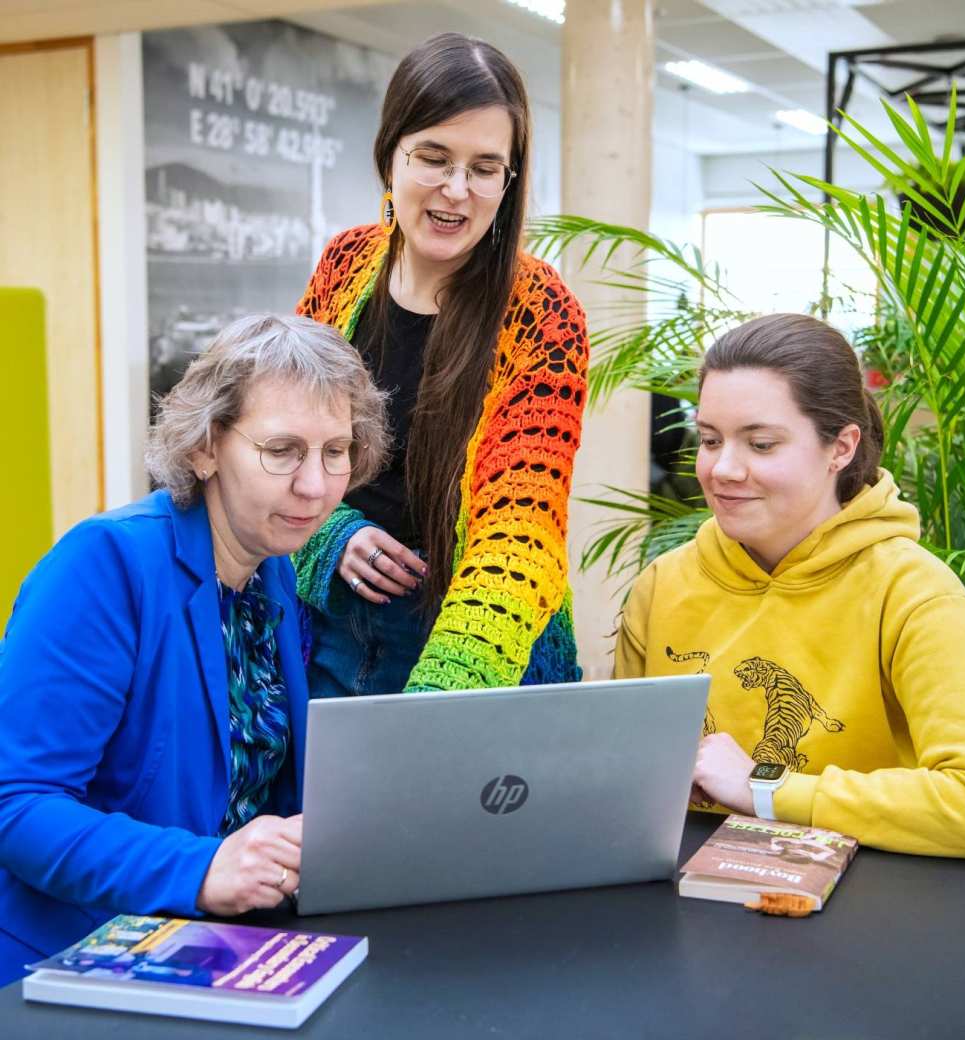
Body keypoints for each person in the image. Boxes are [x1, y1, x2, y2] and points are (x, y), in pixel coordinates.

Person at [0, 314, 387, 985]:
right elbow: (18, 803)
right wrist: (202, 868)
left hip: (213, 950)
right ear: (206, 447)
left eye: (335, 451)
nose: (316, 486)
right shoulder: (106, 563)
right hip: (69, 960)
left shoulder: (272, 567)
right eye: (283, 451)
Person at [614, 313, 965, 861]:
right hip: (678, 905)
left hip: (852, 916)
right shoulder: (662, 584)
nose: (723, 469)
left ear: (841, 447)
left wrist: (766, 787)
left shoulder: (913, 592)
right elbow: (620, 773)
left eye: (761, 444)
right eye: (711, 440)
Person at [295, 32, 588, 697]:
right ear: (390, 155)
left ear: (508, 180)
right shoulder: (345, 264)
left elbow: (521, 529)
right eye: (434, 157)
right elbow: (284, 442)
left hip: (477, 646)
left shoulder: (541, 310)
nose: (457, 190)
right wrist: (331, 536)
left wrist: (439, 703)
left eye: (485, 168)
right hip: (331, 627)